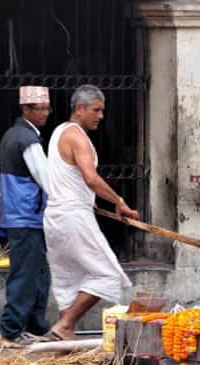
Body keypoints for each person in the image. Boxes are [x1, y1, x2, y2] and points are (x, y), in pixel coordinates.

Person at [43, 85, 137, 341]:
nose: (101, 116)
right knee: (108, 274)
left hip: (56, 216)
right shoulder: (77, 137)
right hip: (73, 216)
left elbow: (70, 179)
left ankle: (64, 342)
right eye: (96, 110)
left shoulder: (58, 132)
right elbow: (91, 178)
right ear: (79, 109)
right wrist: (119, 202)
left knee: (68, 281)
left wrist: (90, 201)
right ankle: (65, 325)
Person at [0, 86, 53, 348]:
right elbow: (46, 177)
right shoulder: (28, 140)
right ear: (26, 109)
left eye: (48, 108)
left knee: (39, 273)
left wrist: (0, 203)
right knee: (25, 275)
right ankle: (10, 331)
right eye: (41, 109)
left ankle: (34, 325)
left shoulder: (11, 136)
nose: (46, 114)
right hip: (27, 215)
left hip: (20, 215)